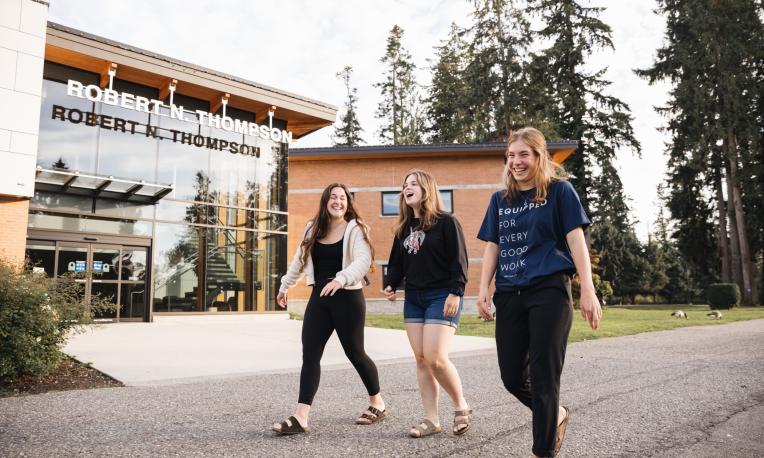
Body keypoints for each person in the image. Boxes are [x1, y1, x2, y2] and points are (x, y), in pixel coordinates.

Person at [476, 127, 602, 457]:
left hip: (549, 292)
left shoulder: (560, 192)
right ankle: (555, 414)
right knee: (512, 377)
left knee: (545, 379)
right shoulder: (500, 200)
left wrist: (586, 288)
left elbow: (576, 241)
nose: (517, 162)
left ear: (539, 157)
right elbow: (492, 246)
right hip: (509, 293)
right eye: (512, 155)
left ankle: (542, 450)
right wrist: (482, 289)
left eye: (524, 155)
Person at [272, 183, 386, 435]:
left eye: (343, 198)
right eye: (333, 197)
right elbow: (299, 261)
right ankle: (301, 417)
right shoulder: (313, 228)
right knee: (310, 354)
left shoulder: (356, 228)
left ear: (348, 202)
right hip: (319, 299)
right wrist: (284, 286)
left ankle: (377, 402)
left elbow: (363, 261)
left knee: (355, 352)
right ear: (325, 202)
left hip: (347, 298)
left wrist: (341, 279)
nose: (338, 201)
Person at [383, 169, 472, 438]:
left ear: (426, 189)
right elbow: (397, 262)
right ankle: (431, 419)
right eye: (404, 184)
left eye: (412, 184)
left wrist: (456, 292)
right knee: (421, 360)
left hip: (441, 295)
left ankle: (461, 407)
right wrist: (391, 283)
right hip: (414, 298)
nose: (406, 188)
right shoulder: (403, 228)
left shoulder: (446, 222)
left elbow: (459, 260)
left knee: (436, 358)